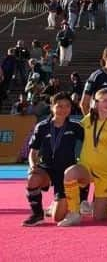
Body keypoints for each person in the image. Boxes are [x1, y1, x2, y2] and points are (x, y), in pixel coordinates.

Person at [58, 88, 107, 226]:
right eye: (104, 100)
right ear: (96, 103)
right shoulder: (87, 120)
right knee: (70, 173)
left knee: (99, 217)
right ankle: (74, 213)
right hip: (86, 167)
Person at [22, 92, 84, 226]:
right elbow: (33, 151)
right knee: (32, 178)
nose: (63, 109)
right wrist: (32, 166)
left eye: (67, 106)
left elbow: (90, 144)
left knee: (58, 218)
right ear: (52, 107)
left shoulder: (76, 127)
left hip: (66, 173)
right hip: (47, 169)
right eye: (59, 106)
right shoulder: (42, 127)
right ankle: (37, 214)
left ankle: (61, 202)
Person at [80, 45, 107, 114]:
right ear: (105, 57)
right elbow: (84, 103)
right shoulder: (96, 76)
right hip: (98, 118)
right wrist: (90, 122)